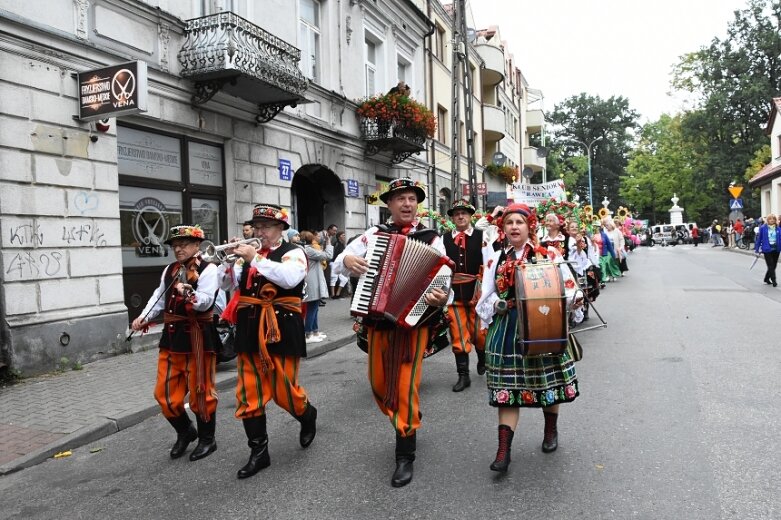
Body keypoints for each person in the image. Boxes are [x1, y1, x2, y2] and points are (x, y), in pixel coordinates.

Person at [333, 178, 449, 488]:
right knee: (379, 383)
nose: (407, 204)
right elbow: (338, 263)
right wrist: (346, 259)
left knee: (404, 385)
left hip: (412, 324)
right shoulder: (373, 236)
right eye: (400, 199)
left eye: (412, 198)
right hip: (379, 320)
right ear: (389, 204)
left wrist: (440, 294)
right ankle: (407, 415)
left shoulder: (432, 238)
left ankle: (404, 454)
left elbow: (442, 279)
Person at [475, 204, 580, 473]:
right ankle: (503, 451)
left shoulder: (549, 254)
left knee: (549, 381)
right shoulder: (495, 258)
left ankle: (550, 430)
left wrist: (574, 300)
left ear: (529, 226)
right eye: (509, 222)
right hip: (507, 329)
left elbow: (568, 288)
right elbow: (484, 298)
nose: (513, 227)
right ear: (503, 229)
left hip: (543, 324)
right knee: (506, 390)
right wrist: (496, 307)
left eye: (519, 222)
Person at [220, 203, 317, 479]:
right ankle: (259, 453)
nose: (260, 232)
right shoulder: (248, 256)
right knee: (248, 394)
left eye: (266, 227)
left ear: (281, 229)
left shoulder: (293, 252)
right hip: (250, 328)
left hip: (282, 328)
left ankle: (306, 414)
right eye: (257, 226)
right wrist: (227, 262)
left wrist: (255, 259)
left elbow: (289, 279)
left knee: (284, 393)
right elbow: (226, 286)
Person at [131, 225, 220, 462]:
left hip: (198, 337)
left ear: (196, 245)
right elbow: (158, 297)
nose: (178, 249)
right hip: (171, 338)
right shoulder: (169, 269)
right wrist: (144, 317)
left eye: (184, 244)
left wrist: (190, 293)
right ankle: (185, 431)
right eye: (175, 245)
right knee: (164, 395)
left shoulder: (209, 269)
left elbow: (206, 302)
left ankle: (207, 439)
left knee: (202, 392)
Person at [442, 199, 487, 392]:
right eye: (457, 213)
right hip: (454, 294)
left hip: (477, 293)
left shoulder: (482, 236)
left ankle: (483, 356)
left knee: (479, 334)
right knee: (458, 335)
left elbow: (489, 263)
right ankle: (463, 375)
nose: (461, 216)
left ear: (471, 216)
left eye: (465, 213)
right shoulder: (443, 239)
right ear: (452, 217)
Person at [301, 230, 332, 343]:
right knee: (312, 308)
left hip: (314, 280)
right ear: (312, 239)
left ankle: (315, 331)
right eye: (316, 236)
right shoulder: (309, 250)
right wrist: (328, 242)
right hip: (312, 281)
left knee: (315, 307)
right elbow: (328, 255)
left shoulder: (308, 249)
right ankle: (308, 334)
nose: (318, 237)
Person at [754, 213, 780, 287]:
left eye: (773, 219)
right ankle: (774, 280)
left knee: (774, 265)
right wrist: (756, 249)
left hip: (776, 249)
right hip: (767, 249)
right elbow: (759, 239)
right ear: (767, 220)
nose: (772, 220)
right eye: (770, 219)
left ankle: (766, 278)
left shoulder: (778, 228)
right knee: (771, 265)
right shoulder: (763, 228)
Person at [318, 224, 338, 299]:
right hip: (319, 257)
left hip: (325, 258)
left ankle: (322, 295)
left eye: (336, 231)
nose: (335, 232)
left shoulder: (331, 237)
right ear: (329, 229)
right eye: (334, 230)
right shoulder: (320, 235)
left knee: (324, 276)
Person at [330, 231, 349, 298]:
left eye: (344, 235)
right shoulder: (336, 244)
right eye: (343, 235)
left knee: (344, 279)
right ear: (339, 237)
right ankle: (333, 294)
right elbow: (333, 254)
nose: (344, 236)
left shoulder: (342, 244)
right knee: (334, 278)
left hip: (340, 263)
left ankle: (337, 293)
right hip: (334, 263)